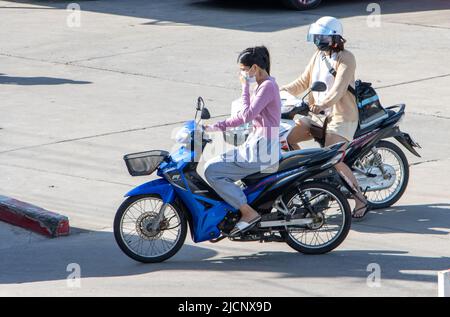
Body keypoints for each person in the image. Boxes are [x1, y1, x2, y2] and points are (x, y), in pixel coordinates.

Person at [280, 16, 369, 218]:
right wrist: (278, 91)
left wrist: (322, 104)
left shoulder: (346, 58)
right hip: (316, 116)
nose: (319, 41)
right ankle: (312, 182)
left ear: (336, 38)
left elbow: (338, 89)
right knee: (286, 138)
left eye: (323, 37)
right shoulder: (318, 56)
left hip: (341, 117)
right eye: (317, 37)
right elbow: (303, 81)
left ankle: (360, 200)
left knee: (334, 158)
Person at [204, 46, 281, 235]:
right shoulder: (265, 85)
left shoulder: (267, 87)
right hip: (256, 145)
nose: (242, 73)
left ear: (254, 68)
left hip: (261, 150)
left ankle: (247, 213)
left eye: (244, 69)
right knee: (218, 164)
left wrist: (217, 126)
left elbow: (246, 115)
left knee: (212, 170)